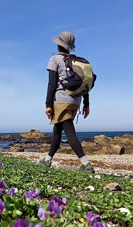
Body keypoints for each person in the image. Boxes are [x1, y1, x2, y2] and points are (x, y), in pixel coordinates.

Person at [39, 31, 95, 173]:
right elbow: (85, 84)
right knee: (57, 131)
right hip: (76, 100)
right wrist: (86, 105)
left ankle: (86, 164)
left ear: (58, 45)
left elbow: (51, 84)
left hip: (61, 101)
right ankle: (47, 160)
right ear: (70, 47)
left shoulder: (55, 59)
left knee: (69, 131)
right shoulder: (76, 61)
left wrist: (48, 104)